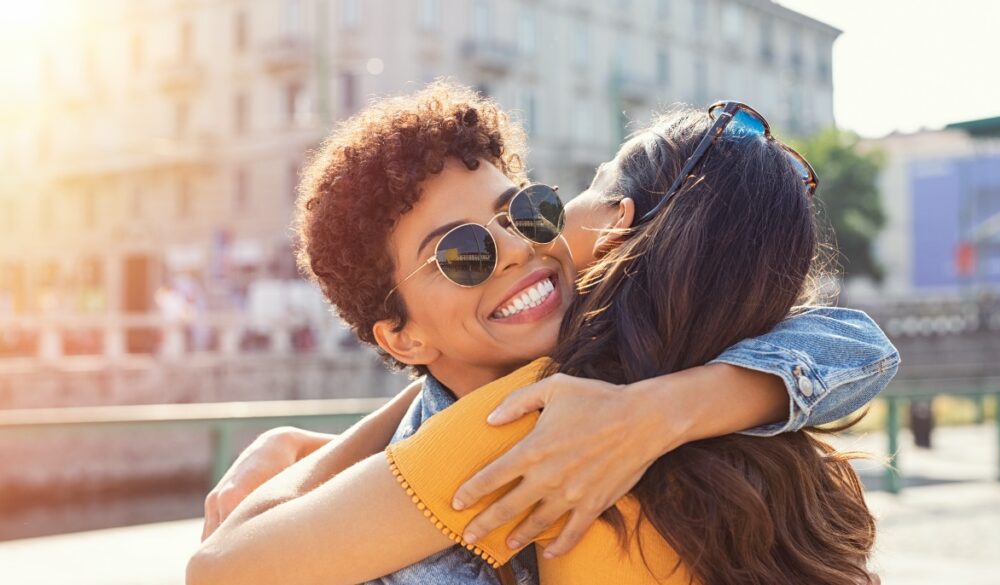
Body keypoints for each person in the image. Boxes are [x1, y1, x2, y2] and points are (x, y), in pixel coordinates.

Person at [188, 84, 897, 585]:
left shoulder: (531, 419)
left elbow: (216, 570)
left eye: (527, 210)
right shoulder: (708, 387)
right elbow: (862, 346)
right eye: (464, 253)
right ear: (400, 337)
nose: (521, 246)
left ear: (618, 222)